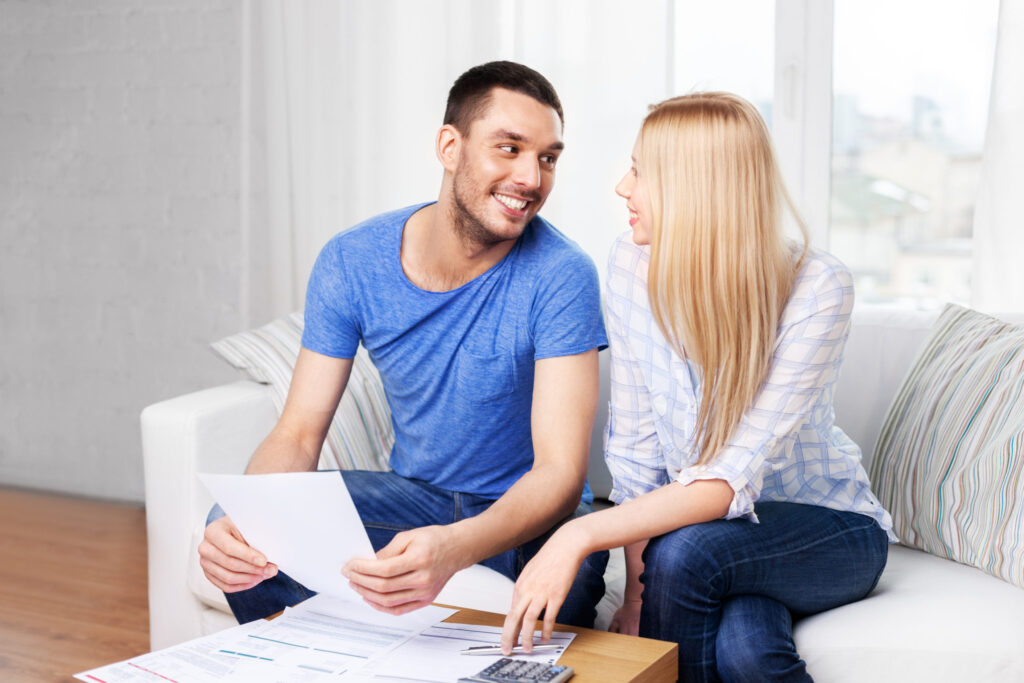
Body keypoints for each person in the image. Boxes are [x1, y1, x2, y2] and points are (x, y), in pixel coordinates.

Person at [500, 92, 895, 681]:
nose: (622, 188)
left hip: (829, 532)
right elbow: (637, 461)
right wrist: (635, 600)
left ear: (693, 188)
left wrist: (575, 537)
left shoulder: (817, 286)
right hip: (718, 551)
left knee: (684, 550)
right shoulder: (632, 269)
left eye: (639, 171)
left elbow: (726, 479)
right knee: (748, 653)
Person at [198, 61, 609, 627]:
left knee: (576, 572)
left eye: (547, 158)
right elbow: (298, 432)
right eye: (509, 148)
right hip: (415, 498)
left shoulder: (563, 274)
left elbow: (560, 476)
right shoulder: (351, 259)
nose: (532, 179)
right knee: (234, 521)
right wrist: (251, 518)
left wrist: (454, 548)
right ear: (450, 146)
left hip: (528, 520)